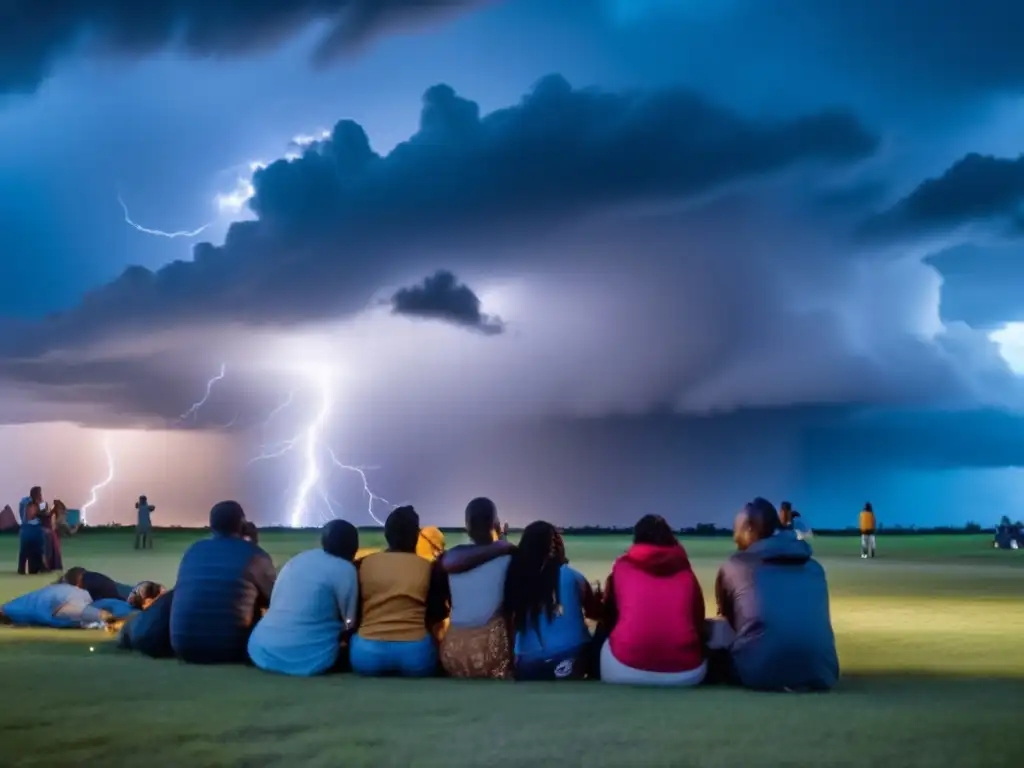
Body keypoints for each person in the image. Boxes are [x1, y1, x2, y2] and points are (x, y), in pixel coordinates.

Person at [709, 497, 839, 692]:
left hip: (758, 673)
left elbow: (728, 620)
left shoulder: (734, 566)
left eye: (737, 531)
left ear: (750, 530)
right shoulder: (815, 568)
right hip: (822, 672)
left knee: (716, 628)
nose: (735, 538)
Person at [598, 515, 707, 687]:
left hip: (624, 668)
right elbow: (698, 621)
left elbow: (609, 616)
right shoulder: (686, 573)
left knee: (604, 641)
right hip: (685, 673)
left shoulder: (621, 567)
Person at [248, 520, 361, 676]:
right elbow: (350, 622)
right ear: (354, 547)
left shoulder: (298, 559)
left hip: (261, 648)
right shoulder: (345, 570)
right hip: (307, 658)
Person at [170, 501, 277, 664]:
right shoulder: (255, 555)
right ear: (242, 525)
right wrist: (253, 544)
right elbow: (274, 599)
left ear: (211, 526)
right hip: (231, 649)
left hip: (184, 646)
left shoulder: (193, 550)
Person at [351, 506, 450, 677]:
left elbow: (354, 609)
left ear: (386, 534)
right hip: (416, 657)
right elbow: (438, 612)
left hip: (366, 657)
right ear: (416, 537)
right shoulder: (428, 568)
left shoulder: (363, 564)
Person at [504, 520, 600, 680]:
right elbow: (595, 613)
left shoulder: (515, 578)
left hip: (528, 664)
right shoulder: (573, 576)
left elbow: (510, 624)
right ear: (557, 547)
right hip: (572, 660)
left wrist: (510, 661)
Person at [438, 497, 517, 679]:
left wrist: (501, 543)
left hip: (453, 657)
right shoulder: (509, 558)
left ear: (467, 526)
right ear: (495, 523)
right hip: (492, 657)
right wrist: (503, 543)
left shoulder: (453, 559)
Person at [17, 489, 45, 575]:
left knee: (35, 549)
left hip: (31, 528)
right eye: (39, 494)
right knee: (27, 549)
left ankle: (34, 568)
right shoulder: (30, 504)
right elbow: (30, 516)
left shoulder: (25, 502)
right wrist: (39, 510)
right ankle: (24, 569)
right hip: (30, 528)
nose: (41, 496)